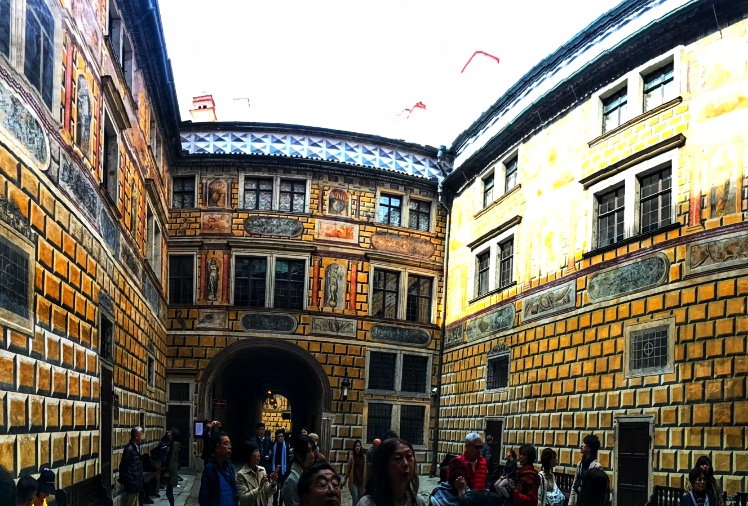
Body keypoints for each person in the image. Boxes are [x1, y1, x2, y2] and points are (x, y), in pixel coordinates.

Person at [359, 438, 427, 506]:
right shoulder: (368, 503)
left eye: (409, 456)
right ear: (384, 465)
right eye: (397, 458)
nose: (405, 463)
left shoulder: (418, 502)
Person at [199, 432, 238, 506]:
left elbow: (235, 492)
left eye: (230, 444)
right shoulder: (209, 469)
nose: (229, 446)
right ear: (217, 448)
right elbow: (204, 498)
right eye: (226, 444)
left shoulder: (230, 468)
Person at [237, 441, 279, 506]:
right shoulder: (241, 475)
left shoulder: (262, 470)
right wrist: (259, 487)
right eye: (256, 451)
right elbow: (244, 499)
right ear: (249, 454)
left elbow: (267, 494)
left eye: (258, 451)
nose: (259, 454)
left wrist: (273, 482)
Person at [281, 434, 315, 506]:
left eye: (312, 451)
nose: (313, 456)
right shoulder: (292, 481)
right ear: (299, 457)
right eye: (308, 451)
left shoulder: (308, 475)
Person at [568, 435, 602, 506]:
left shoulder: (597, 466)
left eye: (584, 443)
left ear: (589, 448)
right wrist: (570, 503)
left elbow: (598, 491)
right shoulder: (580, 464)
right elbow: (574, 485)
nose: (581, 445)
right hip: (578, 500)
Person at [119, 426, 145, 506]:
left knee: (136, 502)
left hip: (136, 479)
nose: (143, 436)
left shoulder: (136, 447)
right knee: (130, 502)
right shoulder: (129, 448)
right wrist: (124, 480)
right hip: (132, 481)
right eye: (141, 434)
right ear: (136, 436)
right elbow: (123, 465)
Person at [271, 429, 294, 506]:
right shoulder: (273, 446)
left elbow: (290, 459)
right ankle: (275, 502)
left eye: (282, 436)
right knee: (275, 488)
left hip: (284, 470)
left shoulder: (287, 446)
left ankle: (281, 503)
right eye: (278, 437)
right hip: (275, 470)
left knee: (283, 489)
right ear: (276, 437)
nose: (280, 438)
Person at [342, 440, 366, 505]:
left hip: (361, 482)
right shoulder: (352, 458)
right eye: (356, 446)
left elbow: (366, 469)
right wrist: (345, 479)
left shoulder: (363, 457)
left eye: (358, 446)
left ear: (360, 447)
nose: (357, 447)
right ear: (354, 448)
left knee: (360, 500)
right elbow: (348, 469)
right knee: (355, 499)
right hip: (354, 482)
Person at [163, 428, 182, 506]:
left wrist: (168, 471)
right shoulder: (172, 443)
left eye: (170, 433)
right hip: (171, 470)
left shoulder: (173, 445)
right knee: (169, 492)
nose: (169, 434)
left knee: (169, 492)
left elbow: (172, 458)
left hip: (171, 471)